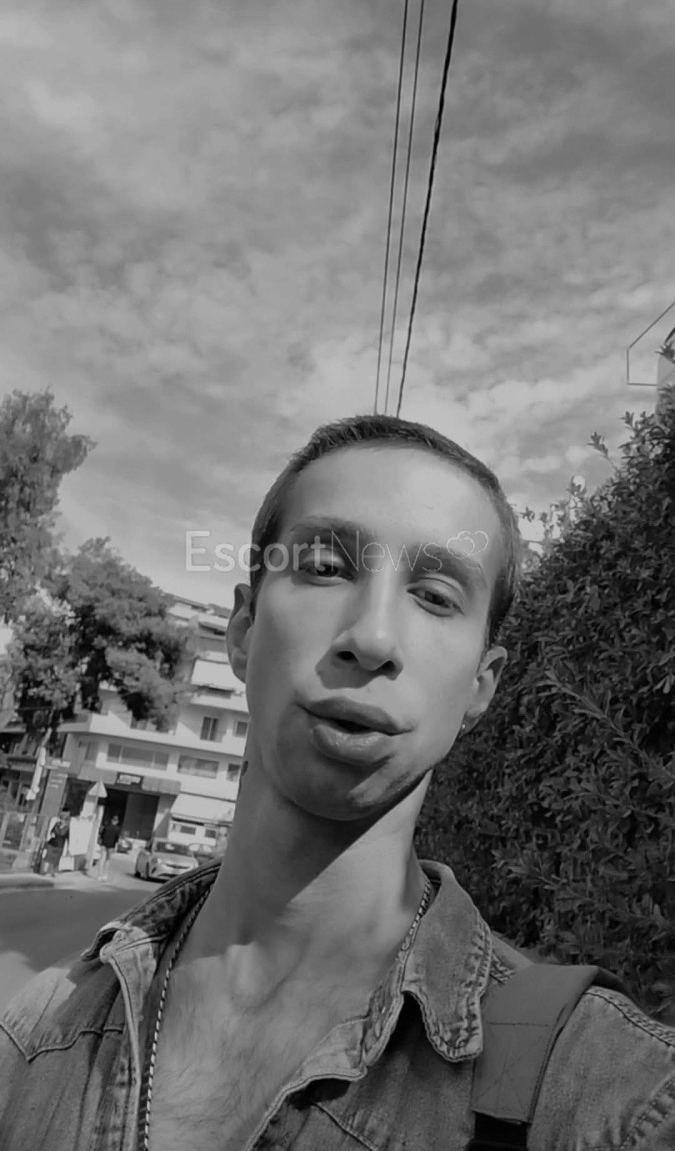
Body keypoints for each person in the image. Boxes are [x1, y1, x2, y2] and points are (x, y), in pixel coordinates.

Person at [1, 414, 674, 1151]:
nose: (373, 639)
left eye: (435, 596)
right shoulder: (31, 1039)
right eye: (325, 567)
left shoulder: (612, 1096)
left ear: (481, 687)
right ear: (242, 629)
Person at [42, 808, 70, 877]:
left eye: (64, 820)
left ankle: (53, 872)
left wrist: (68, 849)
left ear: (66, 821)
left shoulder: (67, 828)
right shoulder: (56, 825)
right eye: (61, 819)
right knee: (48, 857)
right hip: (52, 843)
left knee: (56, 860)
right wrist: (52, 834)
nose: (62, 821)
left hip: (60, 846)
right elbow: (52, 831)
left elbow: (68, 838)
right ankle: (44, 871)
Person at [97, 814, 121, 880]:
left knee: (102, 859)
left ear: (111, 820)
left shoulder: (106, 827)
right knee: (108, 860)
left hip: (104, 844)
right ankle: (105, 875)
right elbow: (116, 839)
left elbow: (101, 836)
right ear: (117, 821)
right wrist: (116, 847)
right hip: (111, 846)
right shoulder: (117, 829)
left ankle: (99, 875)